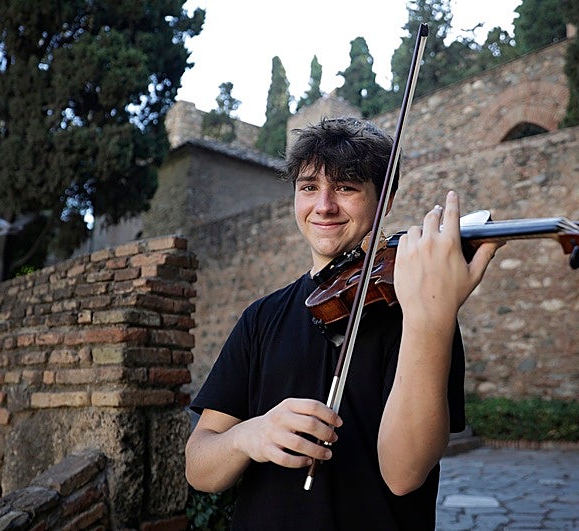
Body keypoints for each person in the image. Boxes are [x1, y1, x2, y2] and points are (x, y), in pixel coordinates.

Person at [185, 116, 501, 530]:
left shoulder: (419, 312)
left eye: (347, 187)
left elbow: (404, 475)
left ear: (384, 200)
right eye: (310, 187)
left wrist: (430, 317)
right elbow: (199, 469)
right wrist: (251, 435)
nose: (324, 205)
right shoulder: (260, 318)